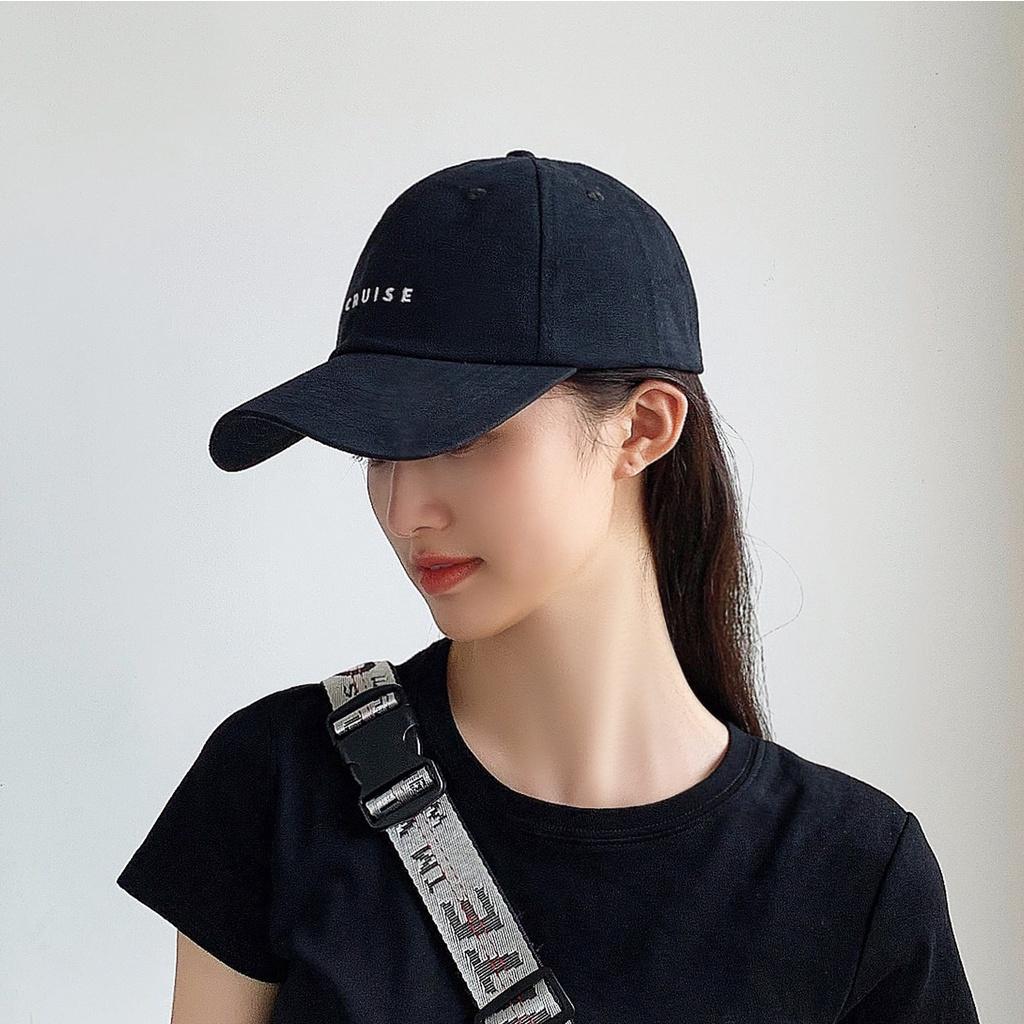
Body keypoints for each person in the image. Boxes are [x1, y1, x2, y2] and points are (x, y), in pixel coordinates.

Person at [116, 151, 981, 1023]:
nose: (404, 509)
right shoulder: (278, 787)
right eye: (377, 448)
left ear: (642, 428)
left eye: (460, 437)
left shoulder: (853, 877)